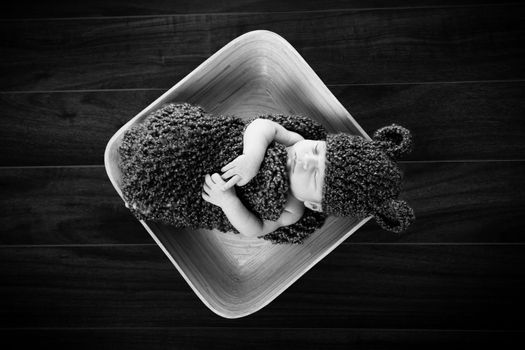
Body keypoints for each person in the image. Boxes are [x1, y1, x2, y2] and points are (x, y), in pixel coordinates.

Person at [202, 118, 415, 238]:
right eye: (315, 150)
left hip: (215, 191)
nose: (306, 161)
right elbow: (261, 126)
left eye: (313, 175)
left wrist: (228, 201)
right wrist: (252, 157)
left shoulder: (291, 210)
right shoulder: (294, 141)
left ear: (314, 205)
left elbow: (256, 228)